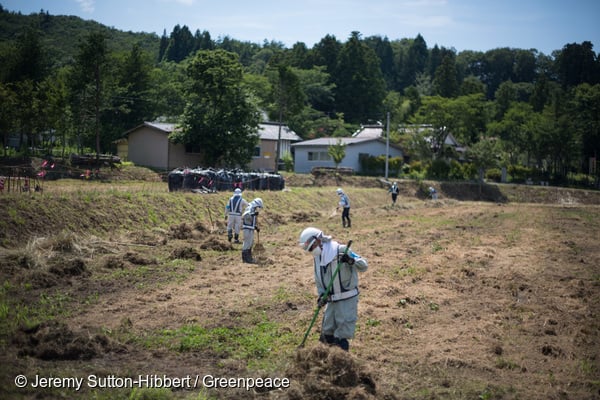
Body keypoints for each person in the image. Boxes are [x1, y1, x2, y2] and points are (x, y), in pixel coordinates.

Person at [299, 227, 368, 351]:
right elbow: (318, 279)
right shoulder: (318, 258)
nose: (311, 250)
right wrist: (321, 296)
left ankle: (341, 362)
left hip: (347, 299)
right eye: (308, 249)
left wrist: (350, 260)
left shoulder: (341, 250)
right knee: (327, 332)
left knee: (341, 335)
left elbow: (364, 265)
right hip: (331, 301)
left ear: (318, 240)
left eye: (311, 246)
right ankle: (324, 362)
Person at [241, 197, 263, 263]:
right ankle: (245, 258)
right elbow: (245, 215)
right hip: (247, 228)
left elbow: (253, 220)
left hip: (251, 228)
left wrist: (256, 227)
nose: (259, 209)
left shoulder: (253, 209)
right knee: (247, 243)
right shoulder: (250, 208)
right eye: (259, 207)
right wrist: (253, 214)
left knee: (250, 242)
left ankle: (249, 257)